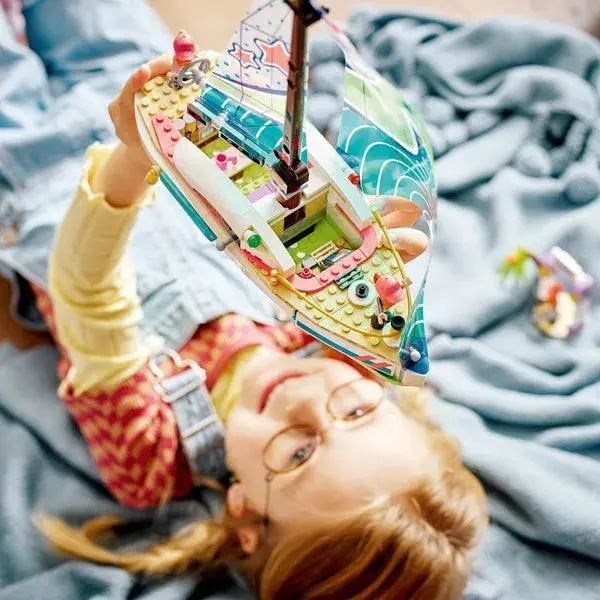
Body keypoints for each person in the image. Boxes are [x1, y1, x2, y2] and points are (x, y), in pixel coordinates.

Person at [0, 2, 487, 598]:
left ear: (247, 516)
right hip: (166, 99)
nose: (303, 400)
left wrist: (133, 156)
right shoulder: (340, 343)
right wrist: (371, 248)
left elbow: (84, 288)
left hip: (34, 169)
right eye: (358, 413)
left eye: (299, 454)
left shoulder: (153, 459)